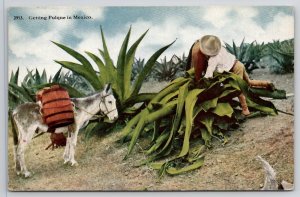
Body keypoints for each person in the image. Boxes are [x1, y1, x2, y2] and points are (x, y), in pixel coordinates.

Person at [188, 35, 274, 116]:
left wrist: (201, 83)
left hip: (235, 70)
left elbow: (208, 75)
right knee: (248, 82)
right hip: (239, 64)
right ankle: (266, 84)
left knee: (238, 89)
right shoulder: (221, 49)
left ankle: (245, 110)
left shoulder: (212, 60)